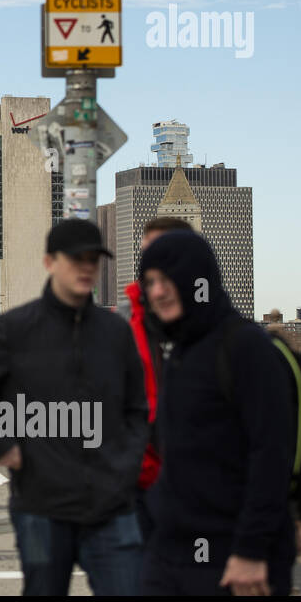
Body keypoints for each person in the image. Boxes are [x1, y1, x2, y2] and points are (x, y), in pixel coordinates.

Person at [0, 218, 148, 596]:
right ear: (50, 262)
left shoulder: (116, 332)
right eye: (77, 259)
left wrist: (127, 461)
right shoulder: (14, 330)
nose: (87, 267)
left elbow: (138, 409)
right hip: (41, 506)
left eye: (94, 259)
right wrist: (0, 445)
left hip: (112, 505)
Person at [138, 230, 295, 596]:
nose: (157, 291)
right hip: (172, 549)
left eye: (167, 279)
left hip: (232, 557)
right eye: (150, 282)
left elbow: (271, 455)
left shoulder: (245, 346)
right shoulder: (178, 350)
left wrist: (251, 551)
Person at [119, 216, 195, 541]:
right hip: (133, 485)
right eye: (148, 251)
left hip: (201, 486)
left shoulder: (226, 331)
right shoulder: (120, 323)